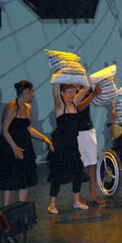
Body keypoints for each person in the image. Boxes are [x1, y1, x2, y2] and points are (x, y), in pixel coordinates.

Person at [0, 80, 54, 206]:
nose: (33, 94)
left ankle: (21, 209)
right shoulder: (12, 107)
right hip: (10, 146)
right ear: (27, 91)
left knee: (24, 180)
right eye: (32, 91)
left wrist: (45, 139)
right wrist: (15, 148)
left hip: (25, 145)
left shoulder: (28, 108)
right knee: (10, 181)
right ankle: (7, 211)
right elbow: (5, 130)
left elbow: (29, 129)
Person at [48, 83, 90, 214]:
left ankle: (76, 201)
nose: (72, 95)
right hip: (61, 145)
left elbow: (86, 89)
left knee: (77, 170)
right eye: (69, 92)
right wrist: (55, 77)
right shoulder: (60, 105)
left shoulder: (74, 103)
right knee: (58, 174)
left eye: (74, 92)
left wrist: (80, 80)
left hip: (72, 144)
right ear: (63, 93)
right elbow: (55, 92)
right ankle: (52, 204)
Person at [76, 85, 104, 204]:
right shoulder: (68, 88)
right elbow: (78, 107)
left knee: (93, 162)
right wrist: (93, 94)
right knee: (78, 165)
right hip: (76, 130)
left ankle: (93, 193)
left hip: (88, 128)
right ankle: (77, 196)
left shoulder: (86, 88)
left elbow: (99, 98)